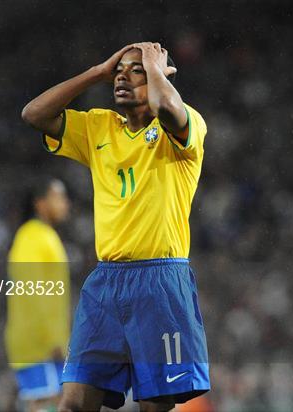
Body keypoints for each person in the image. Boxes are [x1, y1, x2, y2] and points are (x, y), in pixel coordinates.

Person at [22, 42, 210, 412]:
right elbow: (34, 114)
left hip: (160, 282)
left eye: (135, 70)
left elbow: (168, 108)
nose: (122, 76)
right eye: (119, 70)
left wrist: (156, 70)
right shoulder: (99, 128)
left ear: (162, 75)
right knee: (72, 403)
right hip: (105, 283)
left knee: (154, 406)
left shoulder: (184, 127)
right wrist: (96, 71)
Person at [5, 177, 71, 412]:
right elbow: (33, 290)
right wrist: (53, 339)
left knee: (50, 404)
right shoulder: (32, 237)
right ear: (40, 203)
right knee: (45, 405)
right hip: (39, 344)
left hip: (42, 342)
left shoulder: (41, 236)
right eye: (58, 197)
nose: (65, 203)